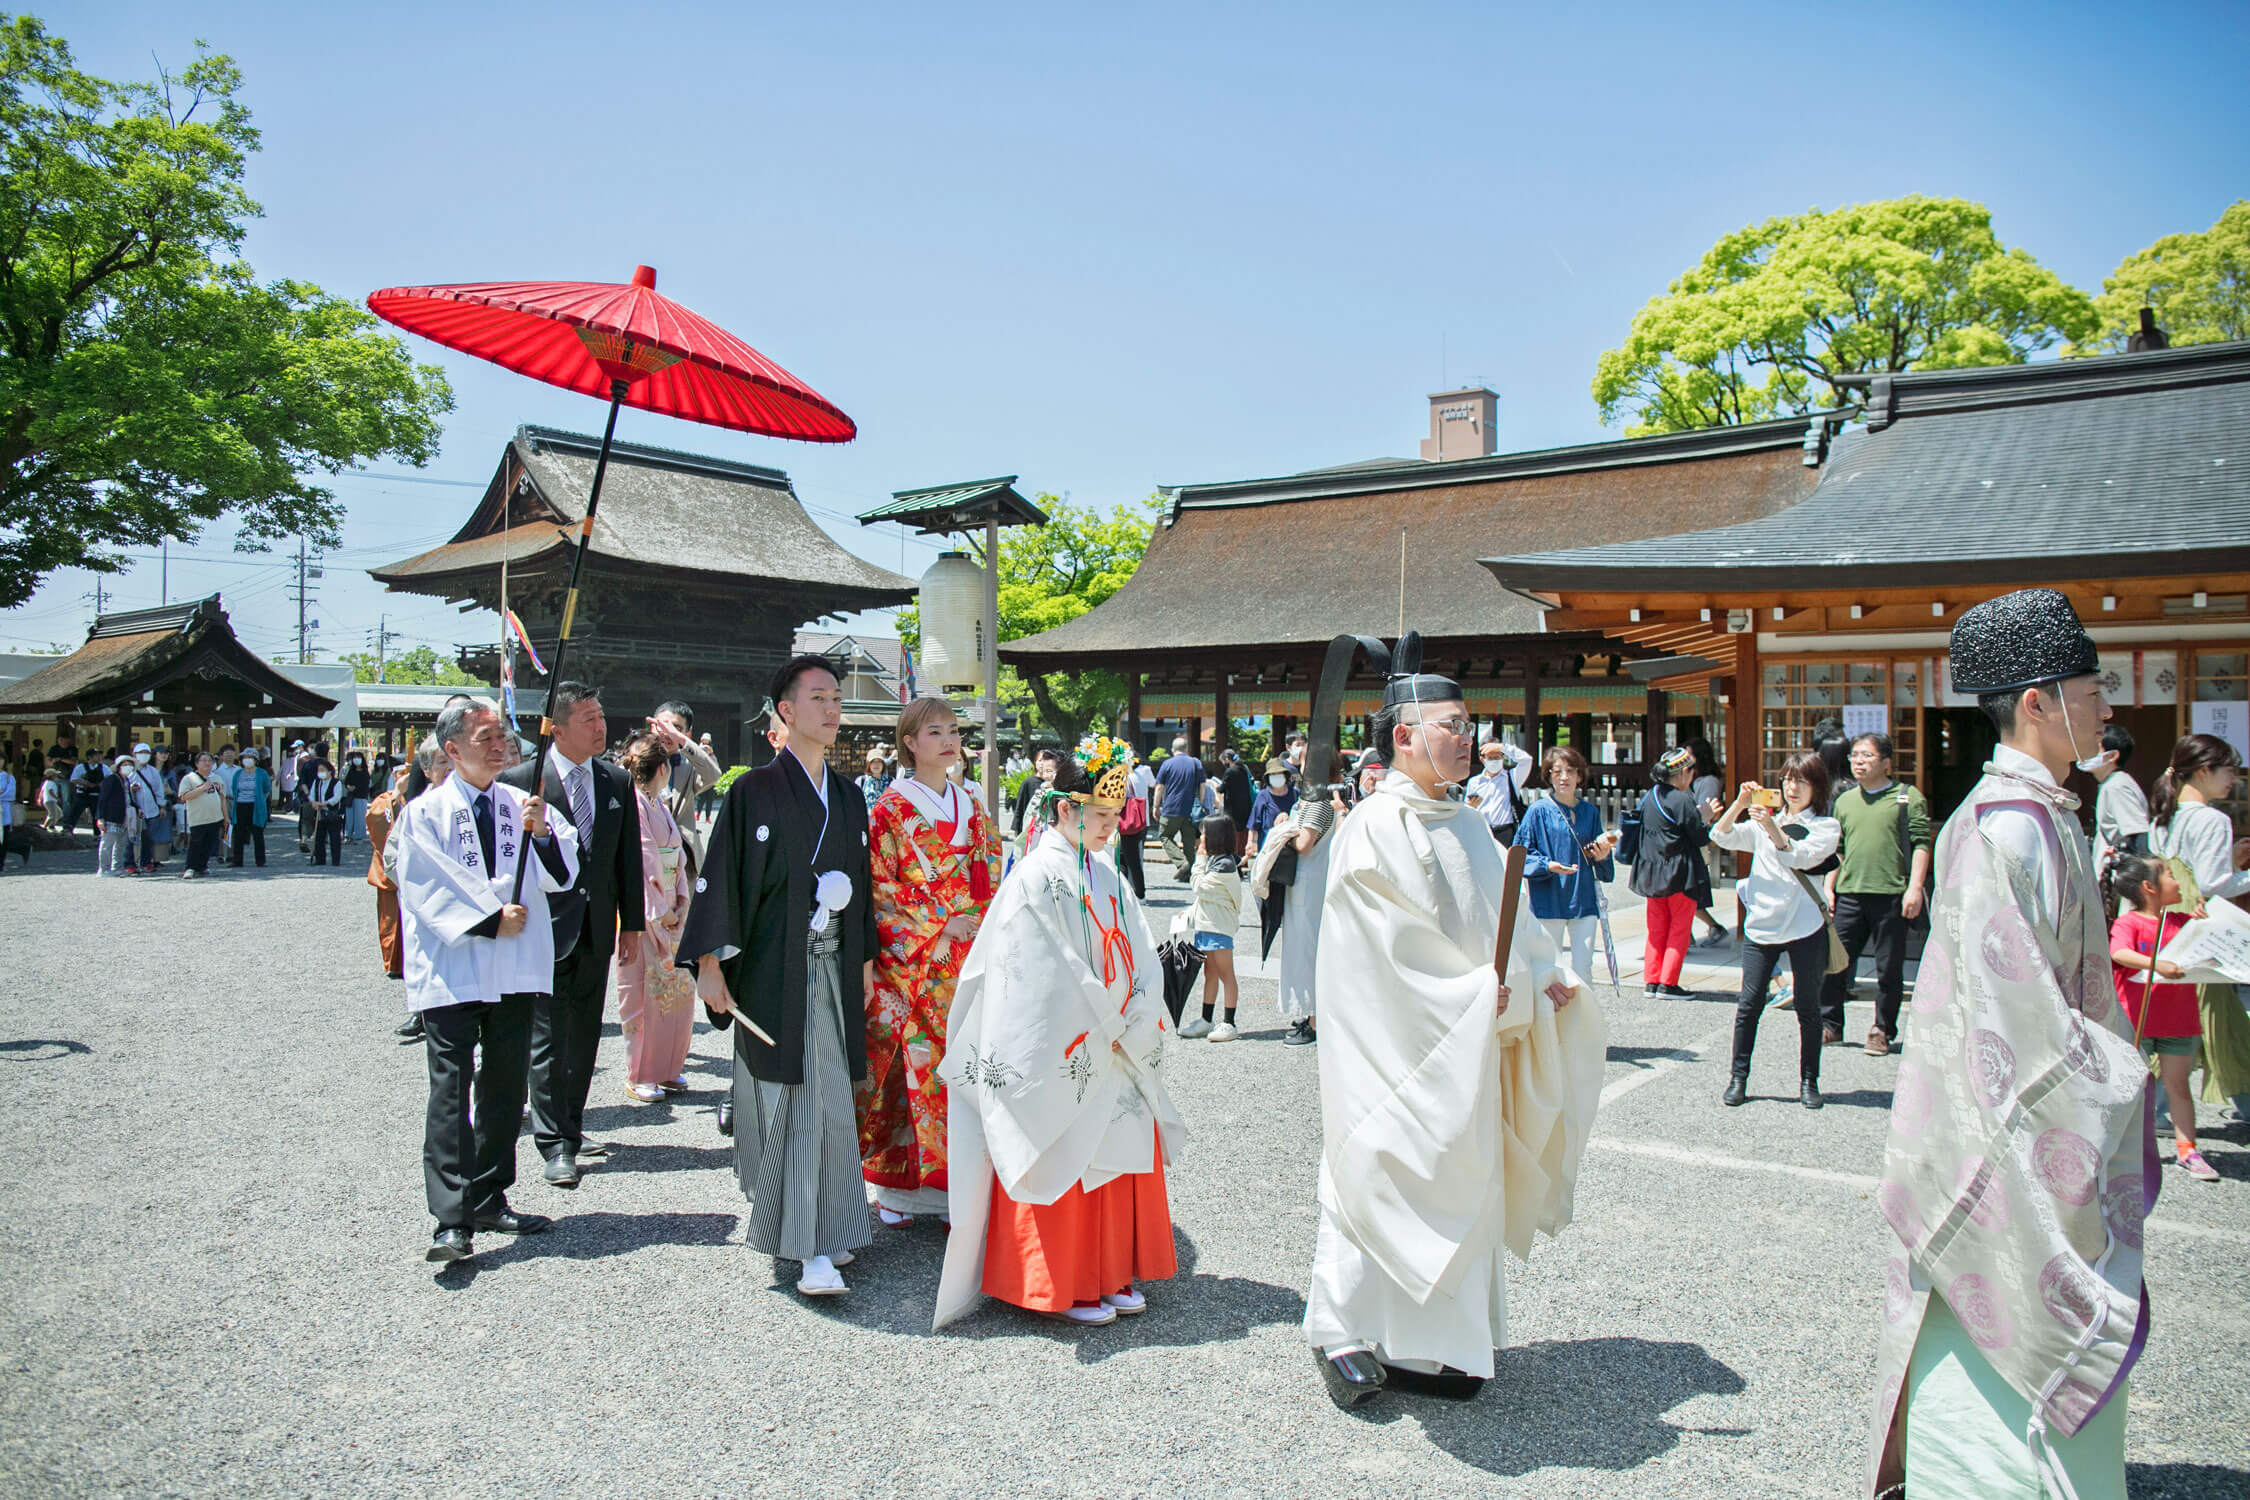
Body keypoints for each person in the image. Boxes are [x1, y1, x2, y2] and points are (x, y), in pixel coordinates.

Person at [1868, 589, 2147, 1500]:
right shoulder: (2007, 829)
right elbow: (2008, 1029)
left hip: (2016, 1117)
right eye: (2090, 686)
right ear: (2037, 701)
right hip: (2006, 1135)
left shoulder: (2040, 813)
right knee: (2002, 1328)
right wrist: (2114, 1068)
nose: (2106, 704)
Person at [1305, 640, 1603, 1407]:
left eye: (1470, 724)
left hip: (1464, 1039)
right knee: (1375, 1168)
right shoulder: (1372, 826)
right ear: (1404, 737)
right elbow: (1384, 953)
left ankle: (1437, 1344)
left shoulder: (1468, 821)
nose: (1468, 738)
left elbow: (1505, 918)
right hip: (1397, 1050)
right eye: (1451, 725)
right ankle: (1342, 1333)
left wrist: (1546, 975)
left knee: (1461, 1177)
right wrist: (1472, 994)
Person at [935, 737, 1183, 1330]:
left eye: (1112, 817)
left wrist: (1140, 1006)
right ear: (1065, 810)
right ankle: (1062, 1281)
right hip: (1070, 1040)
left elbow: (1141, 950)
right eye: (1099, 817)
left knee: (1115, 1148)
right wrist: (1104, 1018)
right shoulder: (1034, 876)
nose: (1109, 828)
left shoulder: (1106, 871)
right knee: (1066, 1142)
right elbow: (1038, 976)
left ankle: (1110, 1271)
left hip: (1114, 1035)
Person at [679, 655, 877, 1297]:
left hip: (834, 967)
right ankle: (807, 1243)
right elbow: (723, 882)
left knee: (832, 1099)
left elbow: (865, 893)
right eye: (818, 697)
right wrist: (709, 964)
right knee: (794, 1104)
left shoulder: (847, 795)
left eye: (836, 698)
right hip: (775, 969)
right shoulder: (754, 792)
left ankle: (835, 1223)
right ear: (785, 712)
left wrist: (867, 962)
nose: (832, 708)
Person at [397, 700, 577, 1263]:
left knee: (503, 1086)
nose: (500, 746)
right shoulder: (424, 814)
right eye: (486, 737)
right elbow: (424, 883)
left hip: (514, 969)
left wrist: (544, 834)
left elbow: (565, 868)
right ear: (452, 750)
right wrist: (488, 920)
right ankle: (450, 1219)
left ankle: (489, 1193)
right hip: (455, 968)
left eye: (503, 736)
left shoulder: (520, 804)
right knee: (451, 1087)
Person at [860, 696, 1001, 1226]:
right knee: (913, 1069)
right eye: (934, 731)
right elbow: (882, 887)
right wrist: (943, 922)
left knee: (969, 1065)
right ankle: (898, 1190)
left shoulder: (971, 801)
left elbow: (990, 869)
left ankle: (958, 1186)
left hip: (970, 951)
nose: (948, 740)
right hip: (916, 964)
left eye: (953, 730)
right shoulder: (889, 808)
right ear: (909, 743)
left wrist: (978, 921)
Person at [500, 681, 646, 1191]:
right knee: (546, 1036)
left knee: (583, 1035)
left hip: (596, 926)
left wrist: (632, 924)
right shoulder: (522, 782)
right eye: (588, 719)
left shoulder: (615, 781)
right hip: (542, 928)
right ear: (557, 729)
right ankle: (554, 1143)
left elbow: (628, 857)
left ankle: (572, 1125)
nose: (601, 726)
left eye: (601, 715)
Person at [1710, 754, 1840, 1109]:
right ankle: (1738, 1078)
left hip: (1805, 927)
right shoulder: (1765, 821)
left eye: (1802, 781)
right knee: (1748, 1005)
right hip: (1761, 927)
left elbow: (1799, 856)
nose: (1792, 788)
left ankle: (1809, 1081)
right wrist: (1738, 804)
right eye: (1787, 781)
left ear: (1817, 787)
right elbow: (1720, 836)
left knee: (1808, 1007)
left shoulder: (1826, 826)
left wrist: (1770, 828)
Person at [2147, 731, 2250, 1127]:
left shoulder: (2163, 816)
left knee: (2178, 1020)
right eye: (2229, 771)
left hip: (2168, 925)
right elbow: (2211, 885)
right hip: (2202, 928)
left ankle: (2153, 1112)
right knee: (2219, 1018)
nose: (2233, 780)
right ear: (2204, 771)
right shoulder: (2212, 819)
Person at [2104, 852, 2218, 1181]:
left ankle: (2188, 1151)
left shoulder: (2182, 924)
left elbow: (2210, 947)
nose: (2177, 880)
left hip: (2179, 1021)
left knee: (2178, 1086)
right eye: (2169, 874)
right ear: (2148, 887)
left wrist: (2205, 920)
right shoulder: (2129, 923)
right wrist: (2157, 964)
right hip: (2135, 1021)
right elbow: (2118, 952)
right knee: (2129, 1088)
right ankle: (2116, 1150)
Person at [1820, 732, 1933, 1058]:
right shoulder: (1844, 801)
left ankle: (1882, 1029)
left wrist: (1915, 888)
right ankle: (1831, 1024)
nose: (1858, 761)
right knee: (1835, 962)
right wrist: (1829, 886)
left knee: (1889, 968)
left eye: (1867, 756)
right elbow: (1837, 850)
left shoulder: (1906, 797)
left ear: (1886, 762)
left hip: (1891, 894)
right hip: (1849, 894)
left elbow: (1921, 843)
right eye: (1855, 755)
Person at [615, 733, 697, 1104]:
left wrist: (681, 901)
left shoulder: (658, 804)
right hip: (645, 912)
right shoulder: (635, 805)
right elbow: (645, 859)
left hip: (672, 910)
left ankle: (667, 1068)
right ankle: (641, 1072)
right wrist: (660, 910)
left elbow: (676, 857)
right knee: (645, 996)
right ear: (663, 769)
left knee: (677, 994)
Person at [1512, 747, 1615, 983]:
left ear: (1580, 776)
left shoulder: (1589, 812)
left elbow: (1601, 859)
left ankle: (1581, 1019)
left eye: (1570, 771)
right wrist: (1547, 866)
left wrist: (1601, 856)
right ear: (1548, 776)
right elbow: (1519, 855)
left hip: (1583, 898)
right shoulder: (1537, 811)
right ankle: (1551, 1019)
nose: (1564, 777)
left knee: (1583, 969)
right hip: (1549, 898)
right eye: (1557, 772)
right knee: (1550, 969)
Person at [1630, 746, 1721, 999]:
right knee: (1679, 929)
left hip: (1650, 871)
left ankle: (1652, 981)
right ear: (1683, 773)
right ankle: (1668, 983)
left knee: (1656, 929)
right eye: (1690, 772)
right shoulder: (1683, 799)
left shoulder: (1650, 796)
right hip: (1680, 873)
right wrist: (1707, 816)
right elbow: (1700, 836)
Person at [385, 737, 452, 1043]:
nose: (449, 768)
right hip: (427, 903)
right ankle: (423, 1013)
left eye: (453, 760)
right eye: (441, 762)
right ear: (426, 770)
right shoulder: (416, 810)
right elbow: (392, 857)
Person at [1179, 813, 1244, 1041]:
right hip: (1207, 925)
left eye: (1205, 833)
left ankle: (1229, 1022)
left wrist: (1198, 859)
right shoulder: (1217, 861)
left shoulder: (1224, 864)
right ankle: (1206, 1020)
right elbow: (1206, 898)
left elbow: (1200, 887)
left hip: (1219, 928)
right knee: (1210, 973)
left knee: (1226, 973)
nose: (1201, 837)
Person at [646, 700, 719, 876]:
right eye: (662, 725)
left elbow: (713, 776)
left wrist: (681, 741)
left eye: (677, 728)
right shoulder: (634, 764)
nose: (667, 732)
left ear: (688, 734)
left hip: (683, 859)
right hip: (645, 856)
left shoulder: (690, 767)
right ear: (651, 727)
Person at [366, 760, 411, 980]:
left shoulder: (423, 798)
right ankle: (393, 964)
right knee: (391, 920)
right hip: (390, 872)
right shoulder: (384, 800)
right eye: (401, 773)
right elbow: (376, 824)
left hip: (415, 870)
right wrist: (395, 797)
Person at [2088, 725, 2149, 877]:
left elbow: (2137, 836)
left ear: (2112, 756)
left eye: (2094, 748)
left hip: (2122, 884)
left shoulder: (2117, 787)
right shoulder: (2111, 784)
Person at [1463, 735, 1533, 843]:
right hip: (1482, 831)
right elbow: (1467, 809)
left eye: (1497, 757)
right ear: (1482, 759)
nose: (1494, 761)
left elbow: (1526, 760)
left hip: (1505, 832)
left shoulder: (1512, 778)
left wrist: (1502, 747)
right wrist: (1470, 806)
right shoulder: (1474, 782)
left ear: (1503, 758)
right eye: (1490, 758)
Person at [1152, 737, 1204, 880]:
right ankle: (1190, 873)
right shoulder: (1195, 763)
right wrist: (1201, 803)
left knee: (1164, 835)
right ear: (1187, 749)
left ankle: (1182, 864)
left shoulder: (1167, 764)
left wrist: (1156, 806)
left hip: (1171, 808)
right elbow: (1202, 786)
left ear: (1172, 750)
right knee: (1189, 841)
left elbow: (1159, 788)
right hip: (1190, 809)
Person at [175, 752, 228, 879]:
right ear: (197, 763)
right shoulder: (189, 778)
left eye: (210, 760)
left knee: (209, 844)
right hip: (198, 817)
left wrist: (226, 817)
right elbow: (183, 797)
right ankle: (190, 867)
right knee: (196, 843)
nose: (207, 763)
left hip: (215, 817)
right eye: (203, 760)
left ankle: (202, 866)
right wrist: (202, 788)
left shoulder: (217, 778)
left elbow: (222, 798)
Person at [1116, 752, 1154, 900]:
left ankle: (1137, 892)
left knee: (1126, 859)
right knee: (1132, 859)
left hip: (1126, 822)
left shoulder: (1124, 778)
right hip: (1139, 821)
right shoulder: (1139, 775)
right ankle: (1135, 891)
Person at [1244, 758, 1298, 857]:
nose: (1276, 777)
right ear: (1268, 778)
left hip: (1291, 847)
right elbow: (1253, 822)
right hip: (1267, 846)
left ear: (1285, 776)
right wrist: (1250, 842)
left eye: (1279, 773)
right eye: (1273, 775)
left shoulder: (1295, 794)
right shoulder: (1263, 795)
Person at [228, 750, 272, 868]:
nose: (247, 759)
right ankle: (237, 860)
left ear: (255, 760)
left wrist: (261, 799)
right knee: (238, 834)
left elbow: (267, 788)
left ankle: (260, 860)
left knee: (257, 833)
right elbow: (234, 788)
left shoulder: (262, 773)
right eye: (245, 757)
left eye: (250, 757)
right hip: (240, 805)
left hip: (255, 806)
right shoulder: (238, 774)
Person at [95, 753, 135, 875]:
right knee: (107, 843)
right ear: (118, 767)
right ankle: (104, 869)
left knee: (121, 844)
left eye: (130, 765)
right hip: (110, 817)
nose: (128, 767)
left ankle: (117, 867)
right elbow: (102, 799)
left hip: (123, 817)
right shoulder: (111, 779)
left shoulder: (127, 780)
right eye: (125, 764)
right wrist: (100, 817)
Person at [1009, 748, 1059, 840]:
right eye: (1040, 760)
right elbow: (1019, 807)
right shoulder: (1028, 782)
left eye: (1045, 760)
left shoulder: (1054, 785)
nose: (1042, 764)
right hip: (1030, 827)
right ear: (1035, 762)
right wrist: (1016, 828)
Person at [305, 759, 345, 866]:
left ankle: (335, 860)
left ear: (329, 771)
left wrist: (324, 803)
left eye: (323, 770)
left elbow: (336, 797)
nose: (320, 772)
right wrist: (313, 802)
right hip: (320, 814)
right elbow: (312, 794)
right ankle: (320, 859)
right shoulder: (317, 782)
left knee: (334, 838)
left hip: (332, 813)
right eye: (319, 770)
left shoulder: (336, 782)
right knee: (319, 837)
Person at [1218, 749, 1254, 852]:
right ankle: (1243, 858)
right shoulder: (1244, 769)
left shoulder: (1230, 771)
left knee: (1232, 834)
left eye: (1223, 761)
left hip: (1232, 808)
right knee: (1243, 833)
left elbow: (1222, 788)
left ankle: (1234, 857)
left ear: (1227, 759)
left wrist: (1216, 787)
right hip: (1245, 805)